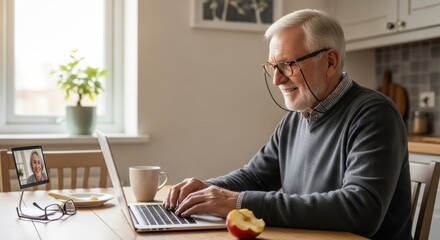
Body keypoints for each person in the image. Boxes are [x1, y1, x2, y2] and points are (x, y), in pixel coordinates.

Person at [163, 9, 412, 239]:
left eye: (287, 65)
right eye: (273, 67)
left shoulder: (374, 114)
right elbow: (256, 177)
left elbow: (360, 210)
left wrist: (239, 202)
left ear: (330, 62)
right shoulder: (295, 119)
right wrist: (206, 189)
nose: (277, 79)